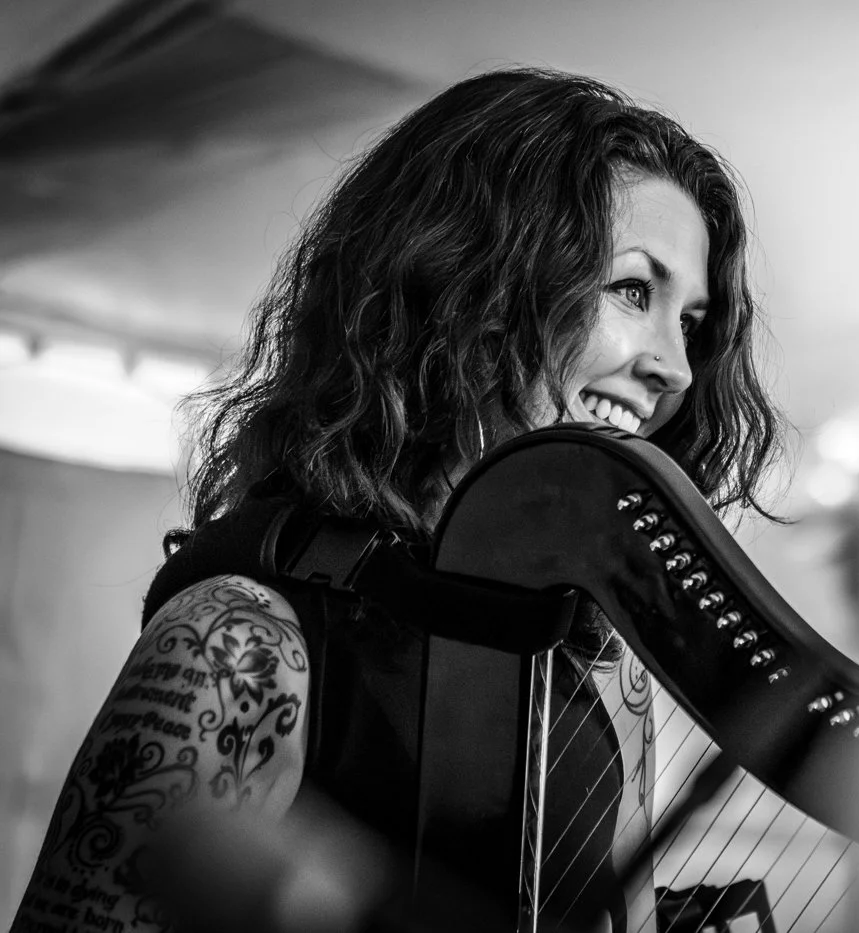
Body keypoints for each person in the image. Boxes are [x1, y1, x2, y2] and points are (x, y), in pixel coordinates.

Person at [10, 67, 785, 933]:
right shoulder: (240, 638)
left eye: (691, 321)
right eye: (633, 291)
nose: (676, 367)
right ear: (474, 286)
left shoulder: (589, 656)